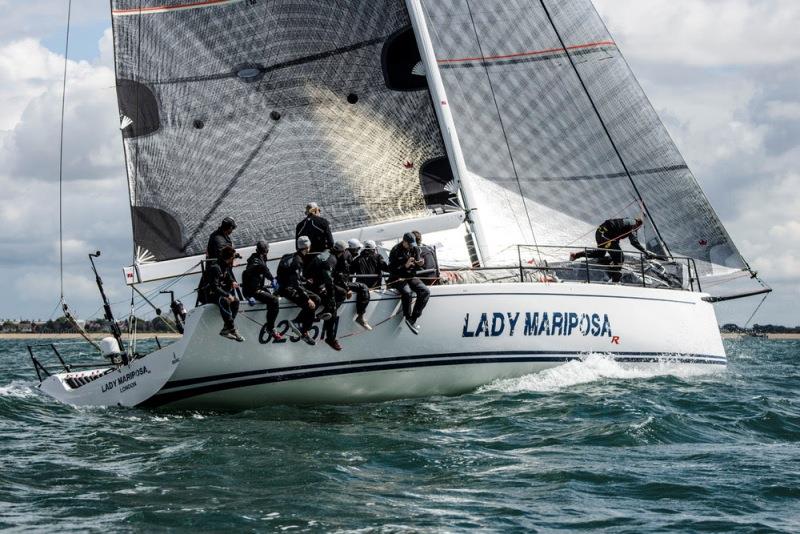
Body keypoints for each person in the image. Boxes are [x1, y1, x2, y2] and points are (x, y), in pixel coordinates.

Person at [569, 217, 665, 283]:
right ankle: (615, 279)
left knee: (600, 253)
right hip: (605, 235)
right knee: (619, 257)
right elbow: (634, 242)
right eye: (638, 229)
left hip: (601, 233)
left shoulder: (629, 221)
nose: (637, 230)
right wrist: (645, 251)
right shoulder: (633, 225)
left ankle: (575, 255)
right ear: (638, 225)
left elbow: (616, 231)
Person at [276, 236, 321, 345]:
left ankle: (300, 323)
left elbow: (290, 274)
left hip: (282, 287)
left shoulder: (288, 256)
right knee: (314, 302)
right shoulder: (298, 260)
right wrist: (307, 298)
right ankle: (301, 328)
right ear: (307, 247)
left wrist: (305, 279)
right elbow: (295, 283)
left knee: (315, 298)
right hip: (288, 289)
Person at [198, 245, 244, 342]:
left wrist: (232, 282)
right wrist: (227, 295)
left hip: (217, 293)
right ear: (230, 258)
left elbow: (227, 276)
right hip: (210, 294)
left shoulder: (224, 266)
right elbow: (214, 287)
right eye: (234, 259)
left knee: (236, 301)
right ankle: (232, 329)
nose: (234, 261)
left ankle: (226, 329)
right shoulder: (216, 268)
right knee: (224, 301)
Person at [242, 240, 284, 341]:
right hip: (253, 290)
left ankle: (269, 320)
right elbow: (262, 269)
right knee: (274, 301)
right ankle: (270, 328)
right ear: (265, 250)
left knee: (275, 296)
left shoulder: (261, 257)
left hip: (258, 287)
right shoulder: (255, 261)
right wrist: (272, 279)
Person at [388, 232, 429, 334]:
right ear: (404, 242)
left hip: (410, 276)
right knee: (407, 292)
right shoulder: (395, 250)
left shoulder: (414, 248)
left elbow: (418, 264)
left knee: (425, 291)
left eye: (412, 244)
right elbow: (391, 269)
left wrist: (421, 263)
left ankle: (413, 319)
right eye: (409, 244)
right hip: (397, 277)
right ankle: (407, 316)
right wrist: (405, 266)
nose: (411, 246)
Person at [304, 243, 343, 350]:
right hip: (314, 286)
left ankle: (326, 311)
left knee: (337, 299)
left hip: (311, 282)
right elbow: (329, 281)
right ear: (341, 252)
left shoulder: (326, 252)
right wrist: (331, 299)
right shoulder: (331, 259)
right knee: (333, 308)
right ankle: (330, 338)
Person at [332, 240, 372, 331]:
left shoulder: (340, 254)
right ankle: (360, 316)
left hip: (336, 281)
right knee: (364, 287)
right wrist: (347, 288)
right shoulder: (348, 256)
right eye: (357, 249)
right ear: (353, 249)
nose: (358, 251)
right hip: (339, 282)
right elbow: (344, 274)